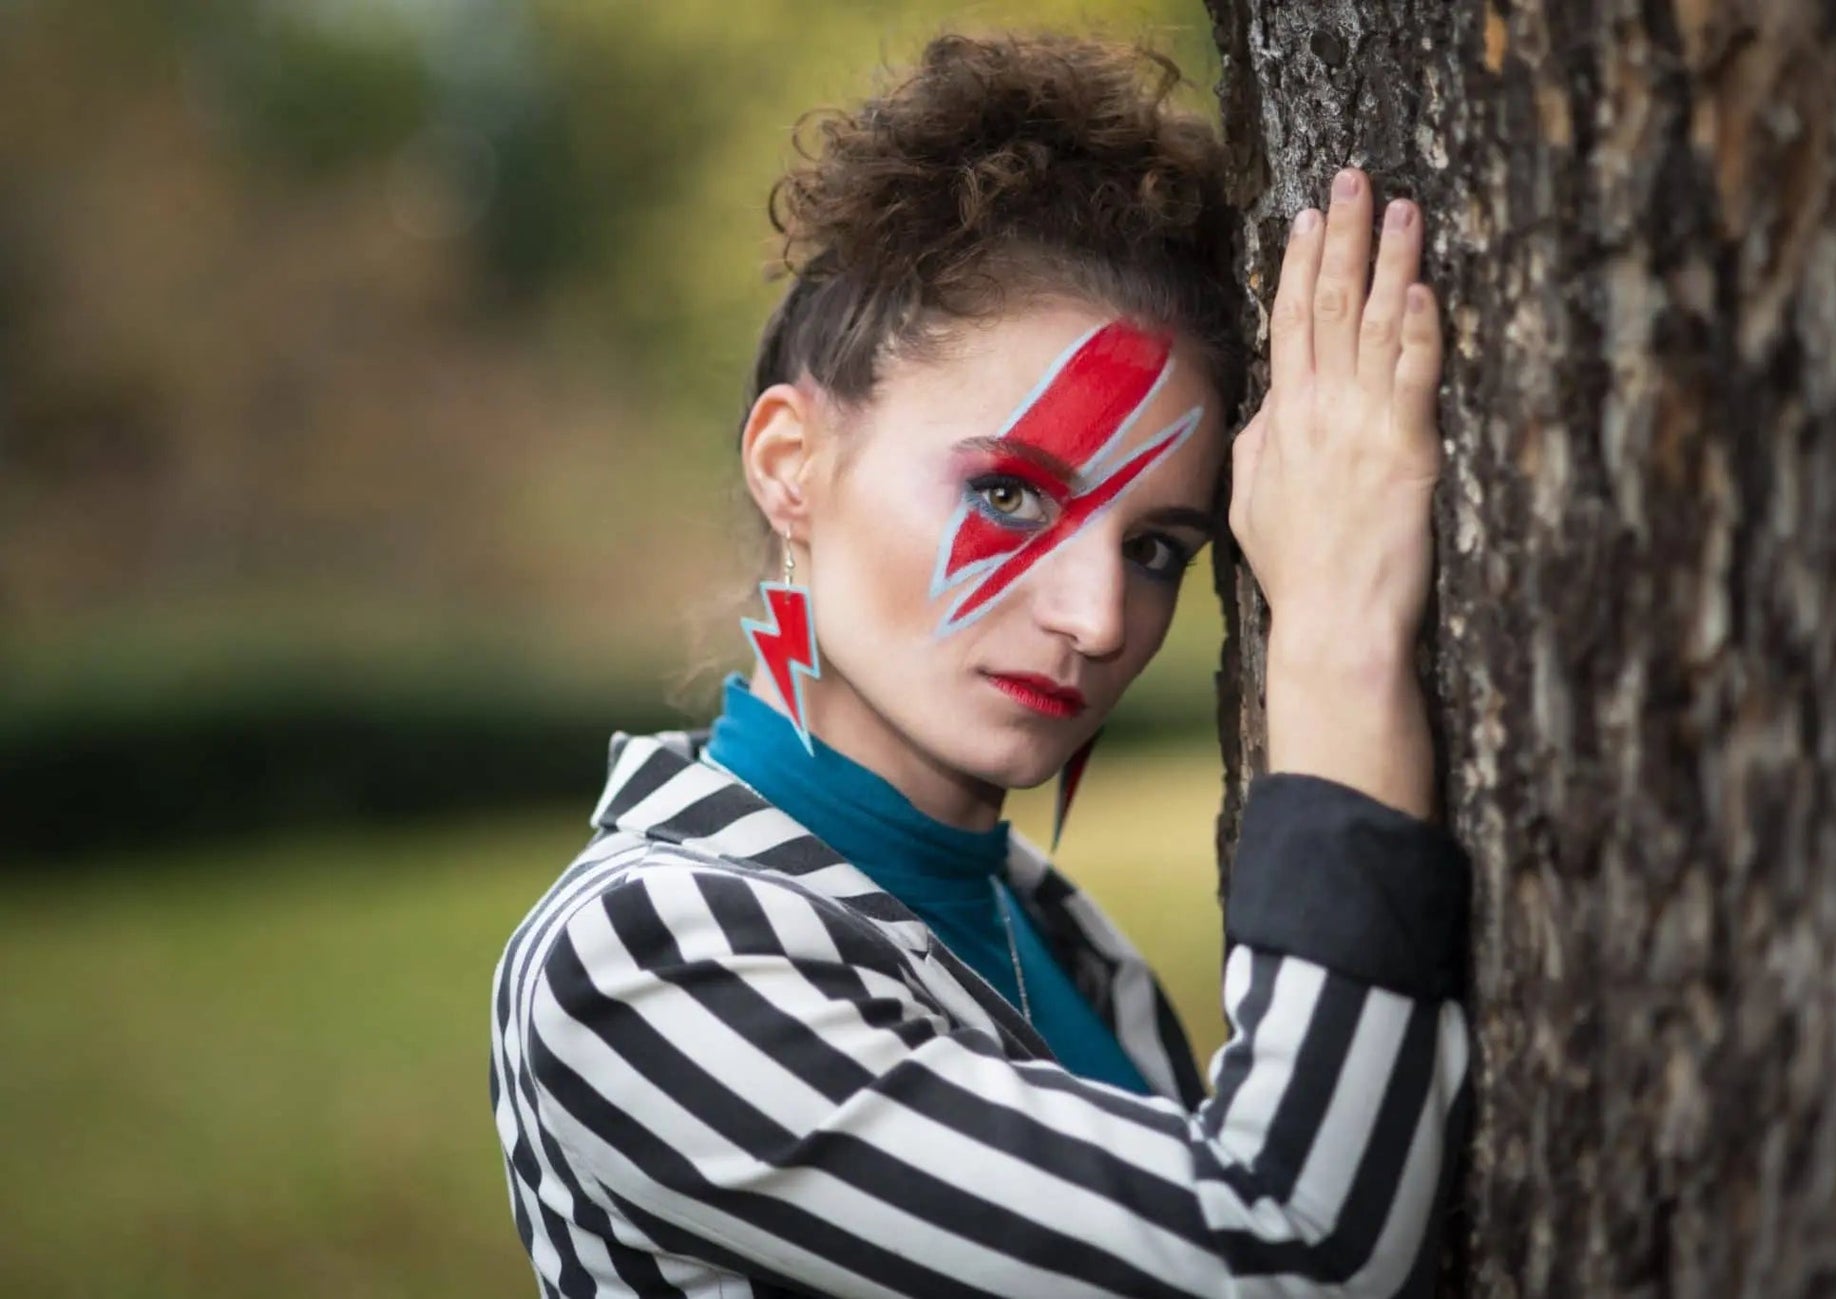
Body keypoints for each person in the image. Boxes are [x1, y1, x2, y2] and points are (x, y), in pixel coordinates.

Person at [490, 31, 1470, 1299]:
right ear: (791, 463)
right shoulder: (639, 960)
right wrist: (1337, 626)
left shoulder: (1052, 928)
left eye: (1159, 546)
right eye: (1010, 493)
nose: (1098, 616)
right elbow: (1284, 1257)